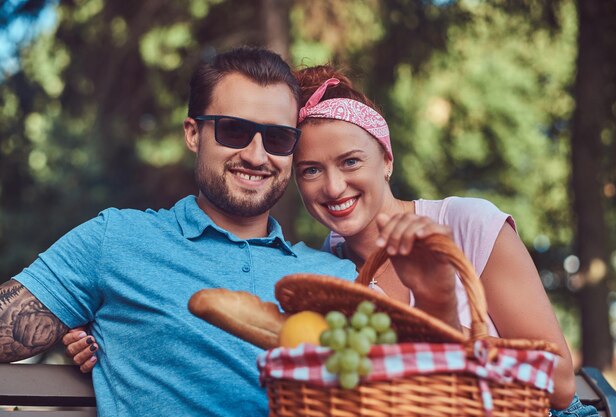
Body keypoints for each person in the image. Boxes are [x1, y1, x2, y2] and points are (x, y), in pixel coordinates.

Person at [66, 63, 597, 415]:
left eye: (350, 162)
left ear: (387, 159)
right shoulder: (330, 273)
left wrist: (437, 301)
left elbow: (559, 383)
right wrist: (104, 328)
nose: (334, 187)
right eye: (311, 171)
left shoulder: (466, 225)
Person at [0, 47, 358, 417]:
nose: (256, 155)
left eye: (279, 139)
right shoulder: (116, 241)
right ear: (193, 134)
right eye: (233, 130)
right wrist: (68, 317)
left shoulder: (336, 278)